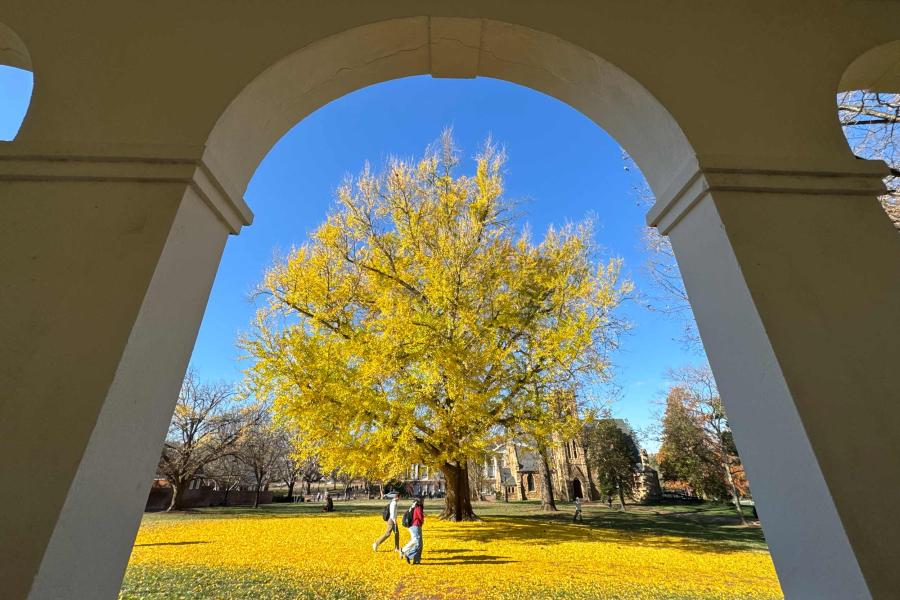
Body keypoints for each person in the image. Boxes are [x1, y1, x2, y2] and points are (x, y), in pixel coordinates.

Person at [400, 497, 425, 564]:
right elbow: (420, 517)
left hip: (415, 526)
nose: (423, 502)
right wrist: (423, 519)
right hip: (416, 526)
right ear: (419, 501)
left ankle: (416, 561)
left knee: (419, 544)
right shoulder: (418, 507)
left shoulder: (414, 507)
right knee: (418, 544)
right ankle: (408, 555)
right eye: (422, 500)